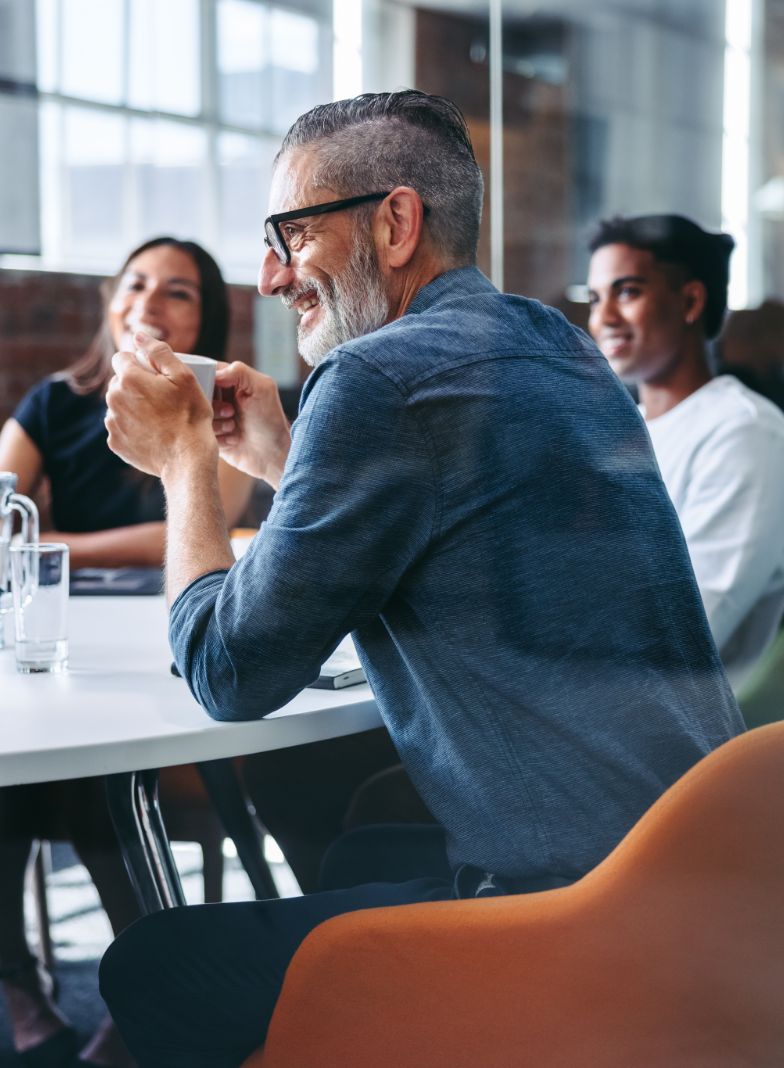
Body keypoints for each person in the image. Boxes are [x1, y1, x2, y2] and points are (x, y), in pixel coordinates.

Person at [99, 91, 743, 1067]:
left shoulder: (375, 383)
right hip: (707, 888)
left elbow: (228, 673)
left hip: (581, 920)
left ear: (395, 223)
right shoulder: (553, 344)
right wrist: (288, 458)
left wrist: (187, 460)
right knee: (363, 844)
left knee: (152, 967)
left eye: (291, 233)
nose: (270, 276)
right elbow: (451, 529)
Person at [0, 236, 252, 1067]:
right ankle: (20, 981)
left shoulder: (219, 412)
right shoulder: (54, 402)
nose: (149, 301)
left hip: (173, 654)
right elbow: (4, 520)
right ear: (111, 302)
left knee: (89, 768)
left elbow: (196, 533)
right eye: (136, 283)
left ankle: (136, 986)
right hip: (65, 645)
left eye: (176, 292)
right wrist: (121, 540)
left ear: (204, 318)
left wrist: (59, 542)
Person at [586, 214, 784, 692]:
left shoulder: (744, 433)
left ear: (691, 300)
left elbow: (687, 632)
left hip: (693, 739)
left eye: (628, 292)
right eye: (595, 298)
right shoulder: (614, 429)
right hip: (609, 706)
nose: (604, 317)